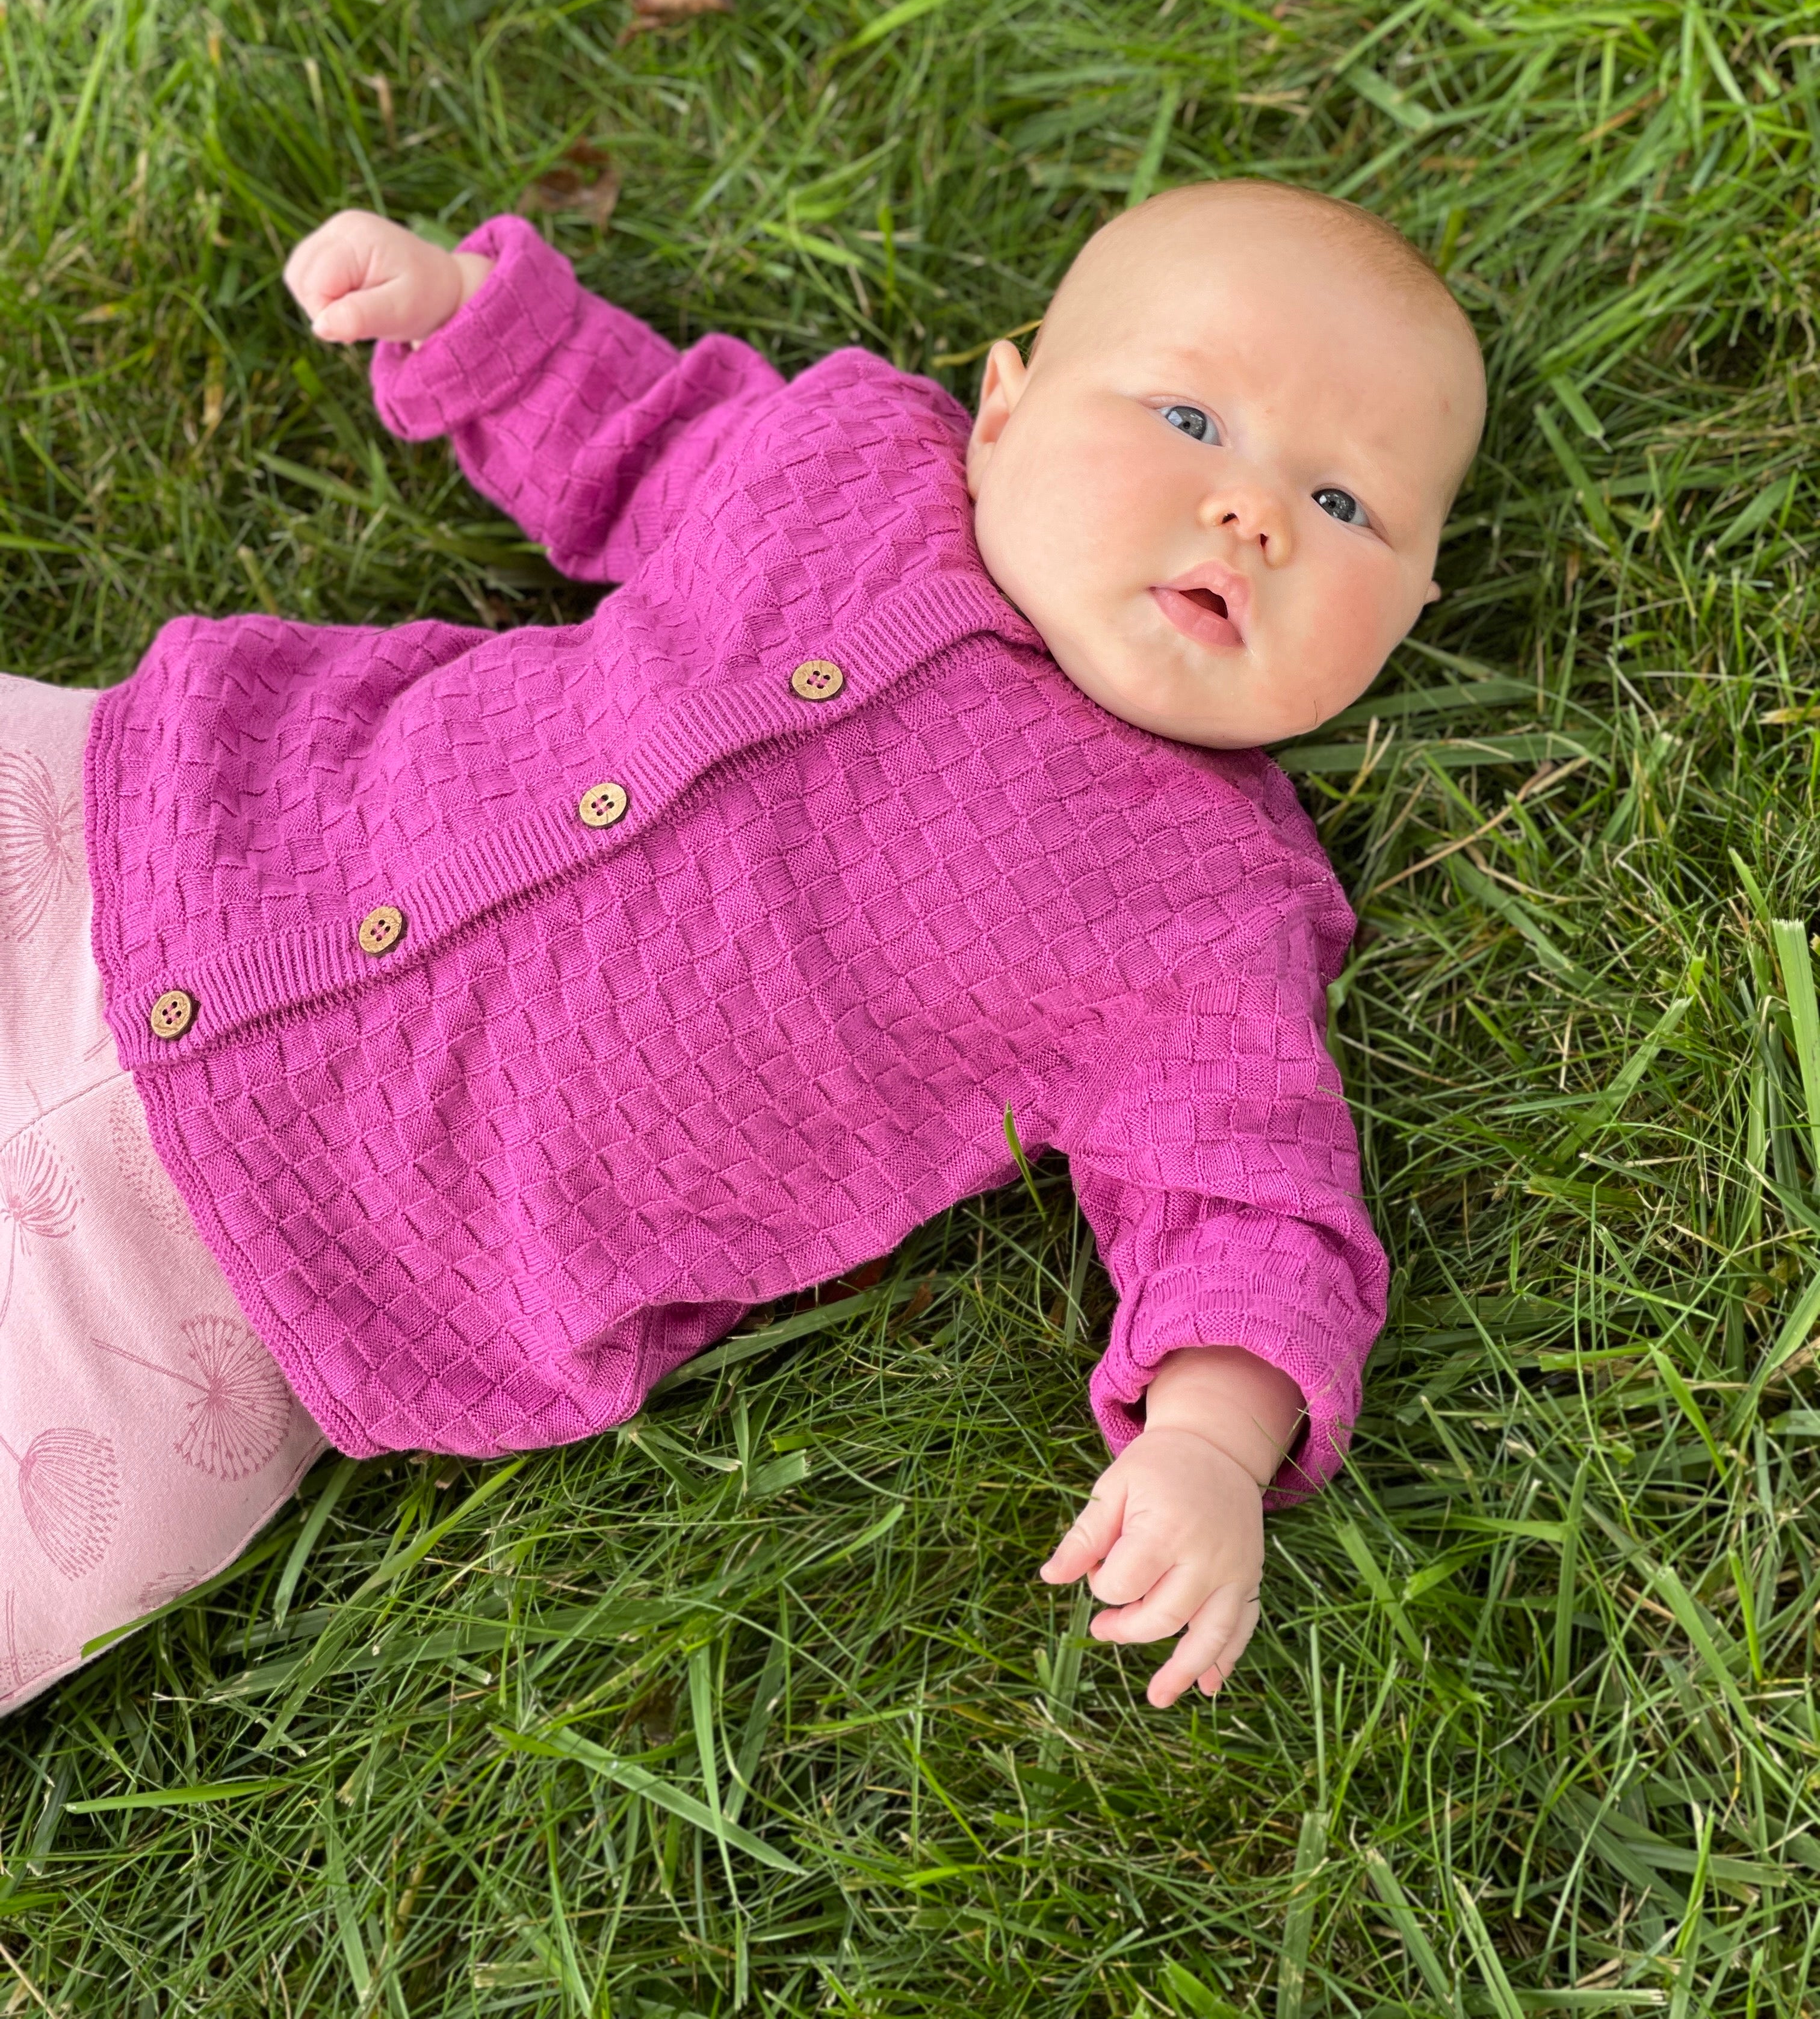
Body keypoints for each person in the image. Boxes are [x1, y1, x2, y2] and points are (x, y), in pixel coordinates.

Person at [0, 181, 1484, 1720]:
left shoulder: (1210, 903)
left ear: (1414, 604)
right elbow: (639, 431)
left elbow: (1250, 1198)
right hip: (155, 818)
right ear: (1001, 410)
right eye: (1190, 416)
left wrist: (1211, 1442)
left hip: (283, 1276)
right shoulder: (853, 459)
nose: (1253, 510)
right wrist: (466, 316)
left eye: (1343, 507)